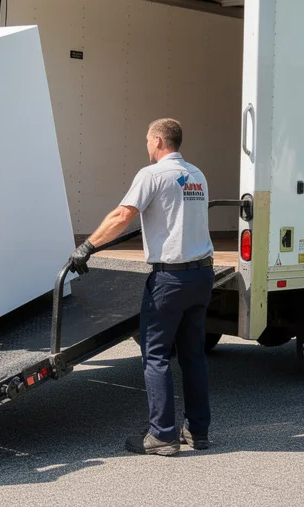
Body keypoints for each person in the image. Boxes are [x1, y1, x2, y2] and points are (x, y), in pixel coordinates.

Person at [69, 118, 214, 456]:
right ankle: (199, 431)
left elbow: (122, 215)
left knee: (157, 355)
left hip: (170, 279)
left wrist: (86, 247)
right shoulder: (197, 175)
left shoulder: (151, 175)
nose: (146, 146)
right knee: (193, 355)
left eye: (148, 140)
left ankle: (162, 435)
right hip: (202, 275)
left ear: (159, 141)